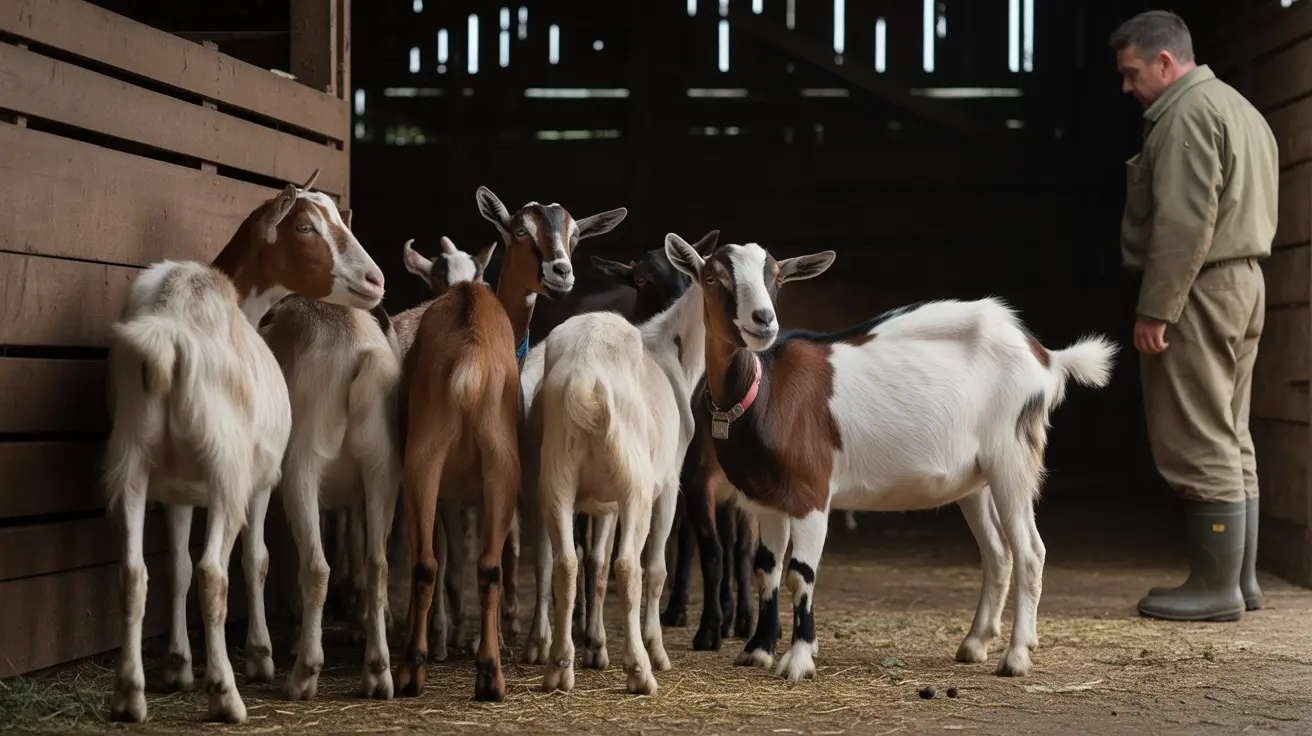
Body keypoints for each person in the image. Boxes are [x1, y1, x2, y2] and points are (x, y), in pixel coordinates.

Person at [1111, 10, 1279, 622]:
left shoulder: (1184, 115)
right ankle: (1243, 581)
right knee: (1232, 430)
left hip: (1200, 286)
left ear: (1164, 61)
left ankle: (1215, 588)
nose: (1127, 88)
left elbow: (1185, 224)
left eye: (1132, 73)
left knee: (1197, 432)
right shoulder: (1240, 108)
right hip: (1245, 281)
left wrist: (1157, 308)